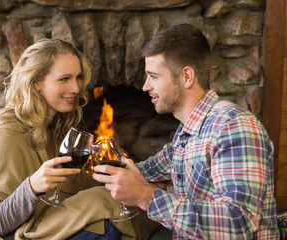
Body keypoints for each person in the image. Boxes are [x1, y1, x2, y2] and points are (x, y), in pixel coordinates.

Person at [92, 23, 280, 239]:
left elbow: (239, 222)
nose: (145, 86)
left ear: (187, 77)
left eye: (153, 76)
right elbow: (144, 171)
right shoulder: (186, 133)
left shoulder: (233, 126)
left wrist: (146, 197)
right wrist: (100, 170)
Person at [0, 38, 145, 239]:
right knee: (108, 225)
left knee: (116, 207)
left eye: (78, 77)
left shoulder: (56, 127)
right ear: (37, 83)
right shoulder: (6, 133)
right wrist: (32, 187)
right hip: (20, 234)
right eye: (64, 79)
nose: (76, 88)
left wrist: (141, 182)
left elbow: (79, 184)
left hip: (49, 224)